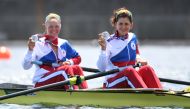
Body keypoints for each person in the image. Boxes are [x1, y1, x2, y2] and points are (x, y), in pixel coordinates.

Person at [97, 8, 162, 89]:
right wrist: (103, 49)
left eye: (126, 24)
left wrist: (139, 59)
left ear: (131, 25)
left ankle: (160, 94)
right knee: (129, 71)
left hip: (128, 77)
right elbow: (101, 68)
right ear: (115, 24)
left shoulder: (133, 37)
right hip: (112, 82)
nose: (123, 27)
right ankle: (147, 96)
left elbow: (136, 54)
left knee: (147, 69)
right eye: (120, 24)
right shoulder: (109, 42)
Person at [22, 13, 88, 89]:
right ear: (45, 26)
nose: (54, 29)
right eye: (51, 27)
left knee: (77, 68)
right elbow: (25, 66)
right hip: (42, 81)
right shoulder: (37, 44)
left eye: (56, 26)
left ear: (60, 26)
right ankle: (75, 93)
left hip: (59, 79)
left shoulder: (64, 43)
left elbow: (78, 58)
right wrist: (30, 50)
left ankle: (85, 91)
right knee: (66, 69)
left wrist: (68, 62)